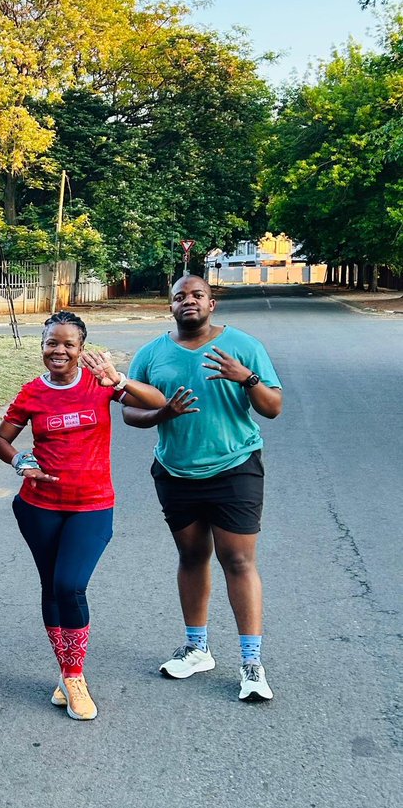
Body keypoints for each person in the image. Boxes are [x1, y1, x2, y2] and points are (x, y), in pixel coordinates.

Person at [0, 311, 170, 721]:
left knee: (70, 585)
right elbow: (2, 440)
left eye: (68, 344)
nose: (59, 350)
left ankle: (74, 676)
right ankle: (68, 673)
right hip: (39, 507)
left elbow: (157, 402)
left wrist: (119, 379)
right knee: (52, 586)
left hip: (92, 505)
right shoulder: (32, 392)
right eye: (51, 343)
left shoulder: (99, 384)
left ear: (81, 349)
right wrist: (21, 462)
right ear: (42, 346)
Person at [124, 275, 283, 702]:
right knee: (192, 557)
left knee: (238, 560)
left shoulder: (243, 346)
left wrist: (247, 378)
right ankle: (197, 648)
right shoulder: (151, 354)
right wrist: (163, 414)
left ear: (212, 304)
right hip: (175, 470)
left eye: (197, 295)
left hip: (235, 467)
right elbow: (130, 413)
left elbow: (273, 408)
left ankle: (252, 663)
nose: (188, 301)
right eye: (180, 297)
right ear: (170, 306)